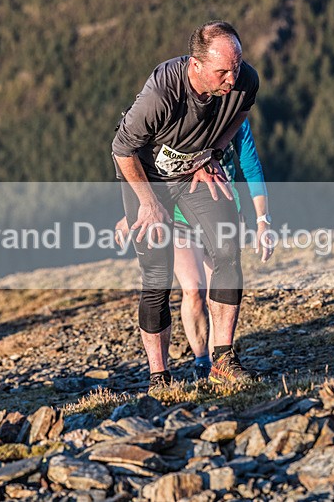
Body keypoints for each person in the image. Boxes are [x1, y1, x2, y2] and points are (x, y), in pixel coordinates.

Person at [111, 20, 261, 392]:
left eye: (237, 66)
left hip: (194, 172)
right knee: (157, 276)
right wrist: (147, 202)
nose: (232, 77)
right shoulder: (162, 93)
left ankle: (222, 359)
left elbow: (240, 114)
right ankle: (159, 378)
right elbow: (121, 149)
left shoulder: (245, 82)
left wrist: (211, 154)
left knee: (227, 248)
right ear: (196, 66)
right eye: (222, 71)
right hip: (145, 178)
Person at [116, 118, 273, 381]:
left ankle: (219, 362)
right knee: (194, 289)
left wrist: (262, 220)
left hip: (222, 211)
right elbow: (149, 161)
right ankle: (201, 361)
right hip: (176, 215)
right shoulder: (180, 115)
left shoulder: (236, 121)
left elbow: (251, 168)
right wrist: (133, 212)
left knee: (220, 290)